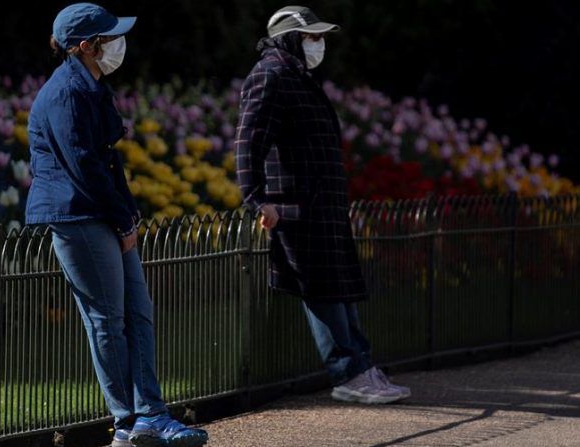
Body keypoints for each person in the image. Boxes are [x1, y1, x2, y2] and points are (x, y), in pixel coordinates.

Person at [24, 3, 209, 446]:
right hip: (78, 217)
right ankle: (129, 422)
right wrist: (123, 217)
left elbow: (104, 161)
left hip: (97, 213)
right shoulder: (67, 91)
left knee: (137, 313)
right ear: (86, 46)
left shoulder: (88, 84)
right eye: (109, 38)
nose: (118, 45)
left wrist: (127, 214)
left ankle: (150, 414)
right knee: (106, 319)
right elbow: (83, 166)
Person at [235, 5, 411, 405]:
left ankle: (362, 367)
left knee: (340, 289)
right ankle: (347, 373)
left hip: (321, 205)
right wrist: (256, 200)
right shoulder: (271, 75)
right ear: (290, 38)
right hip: (297, 205)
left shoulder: (297, 75)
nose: (319, 44)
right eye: (312, 37)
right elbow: (248, 141)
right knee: (324, 290)